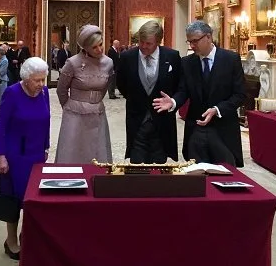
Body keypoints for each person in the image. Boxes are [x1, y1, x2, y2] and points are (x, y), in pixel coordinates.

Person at [153, 21, 246, 166]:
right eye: (189, 41)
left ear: (208, 37)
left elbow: (240, 95)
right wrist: (173, 102)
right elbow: (183, 91)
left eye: (195, 41)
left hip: (223, 129)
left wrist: (217, 109)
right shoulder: (187, 63)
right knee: (197, 177)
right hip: (196, 130)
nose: (192, 46)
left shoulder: (231, 59)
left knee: (225, 175)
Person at [0, 57, 50, 260]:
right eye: (37, 80)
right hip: (14, 155)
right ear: (26, 79)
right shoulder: (12, 93)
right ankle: (11, 241)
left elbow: (47, 119)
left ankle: (26, 234)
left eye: (43, 79)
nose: (42, 85)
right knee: (13, 199)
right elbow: (0, 126)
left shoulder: (43, 93)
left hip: (36, 154)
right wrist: (1, 156)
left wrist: (46, 146)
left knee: (33, 198)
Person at [117, 22, 181, 163]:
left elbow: (178, 85)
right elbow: (121, 84)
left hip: (162, 120)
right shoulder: (127, 57)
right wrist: (138, 99)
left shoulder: (172, 56)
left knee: (160, 163)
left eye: (148, 43)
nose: (144, 46)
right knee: (136, 162)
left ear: (158, 42)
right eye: (141, 42)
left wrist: (171, 102)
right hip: (136, 119)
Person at [55, 25, 114, 163]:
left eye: (100, 45)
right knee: (72, 152)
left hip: (97, 113)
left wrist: (96, 100)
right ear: (85, 48)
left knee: (97, 151)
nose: (99, 49)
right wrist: (70, 107)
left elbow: (104, 87)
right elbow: (61, 90)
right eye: (94, 47)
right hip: (74, 115)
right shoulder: (72, 63)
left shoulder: (108, 62)